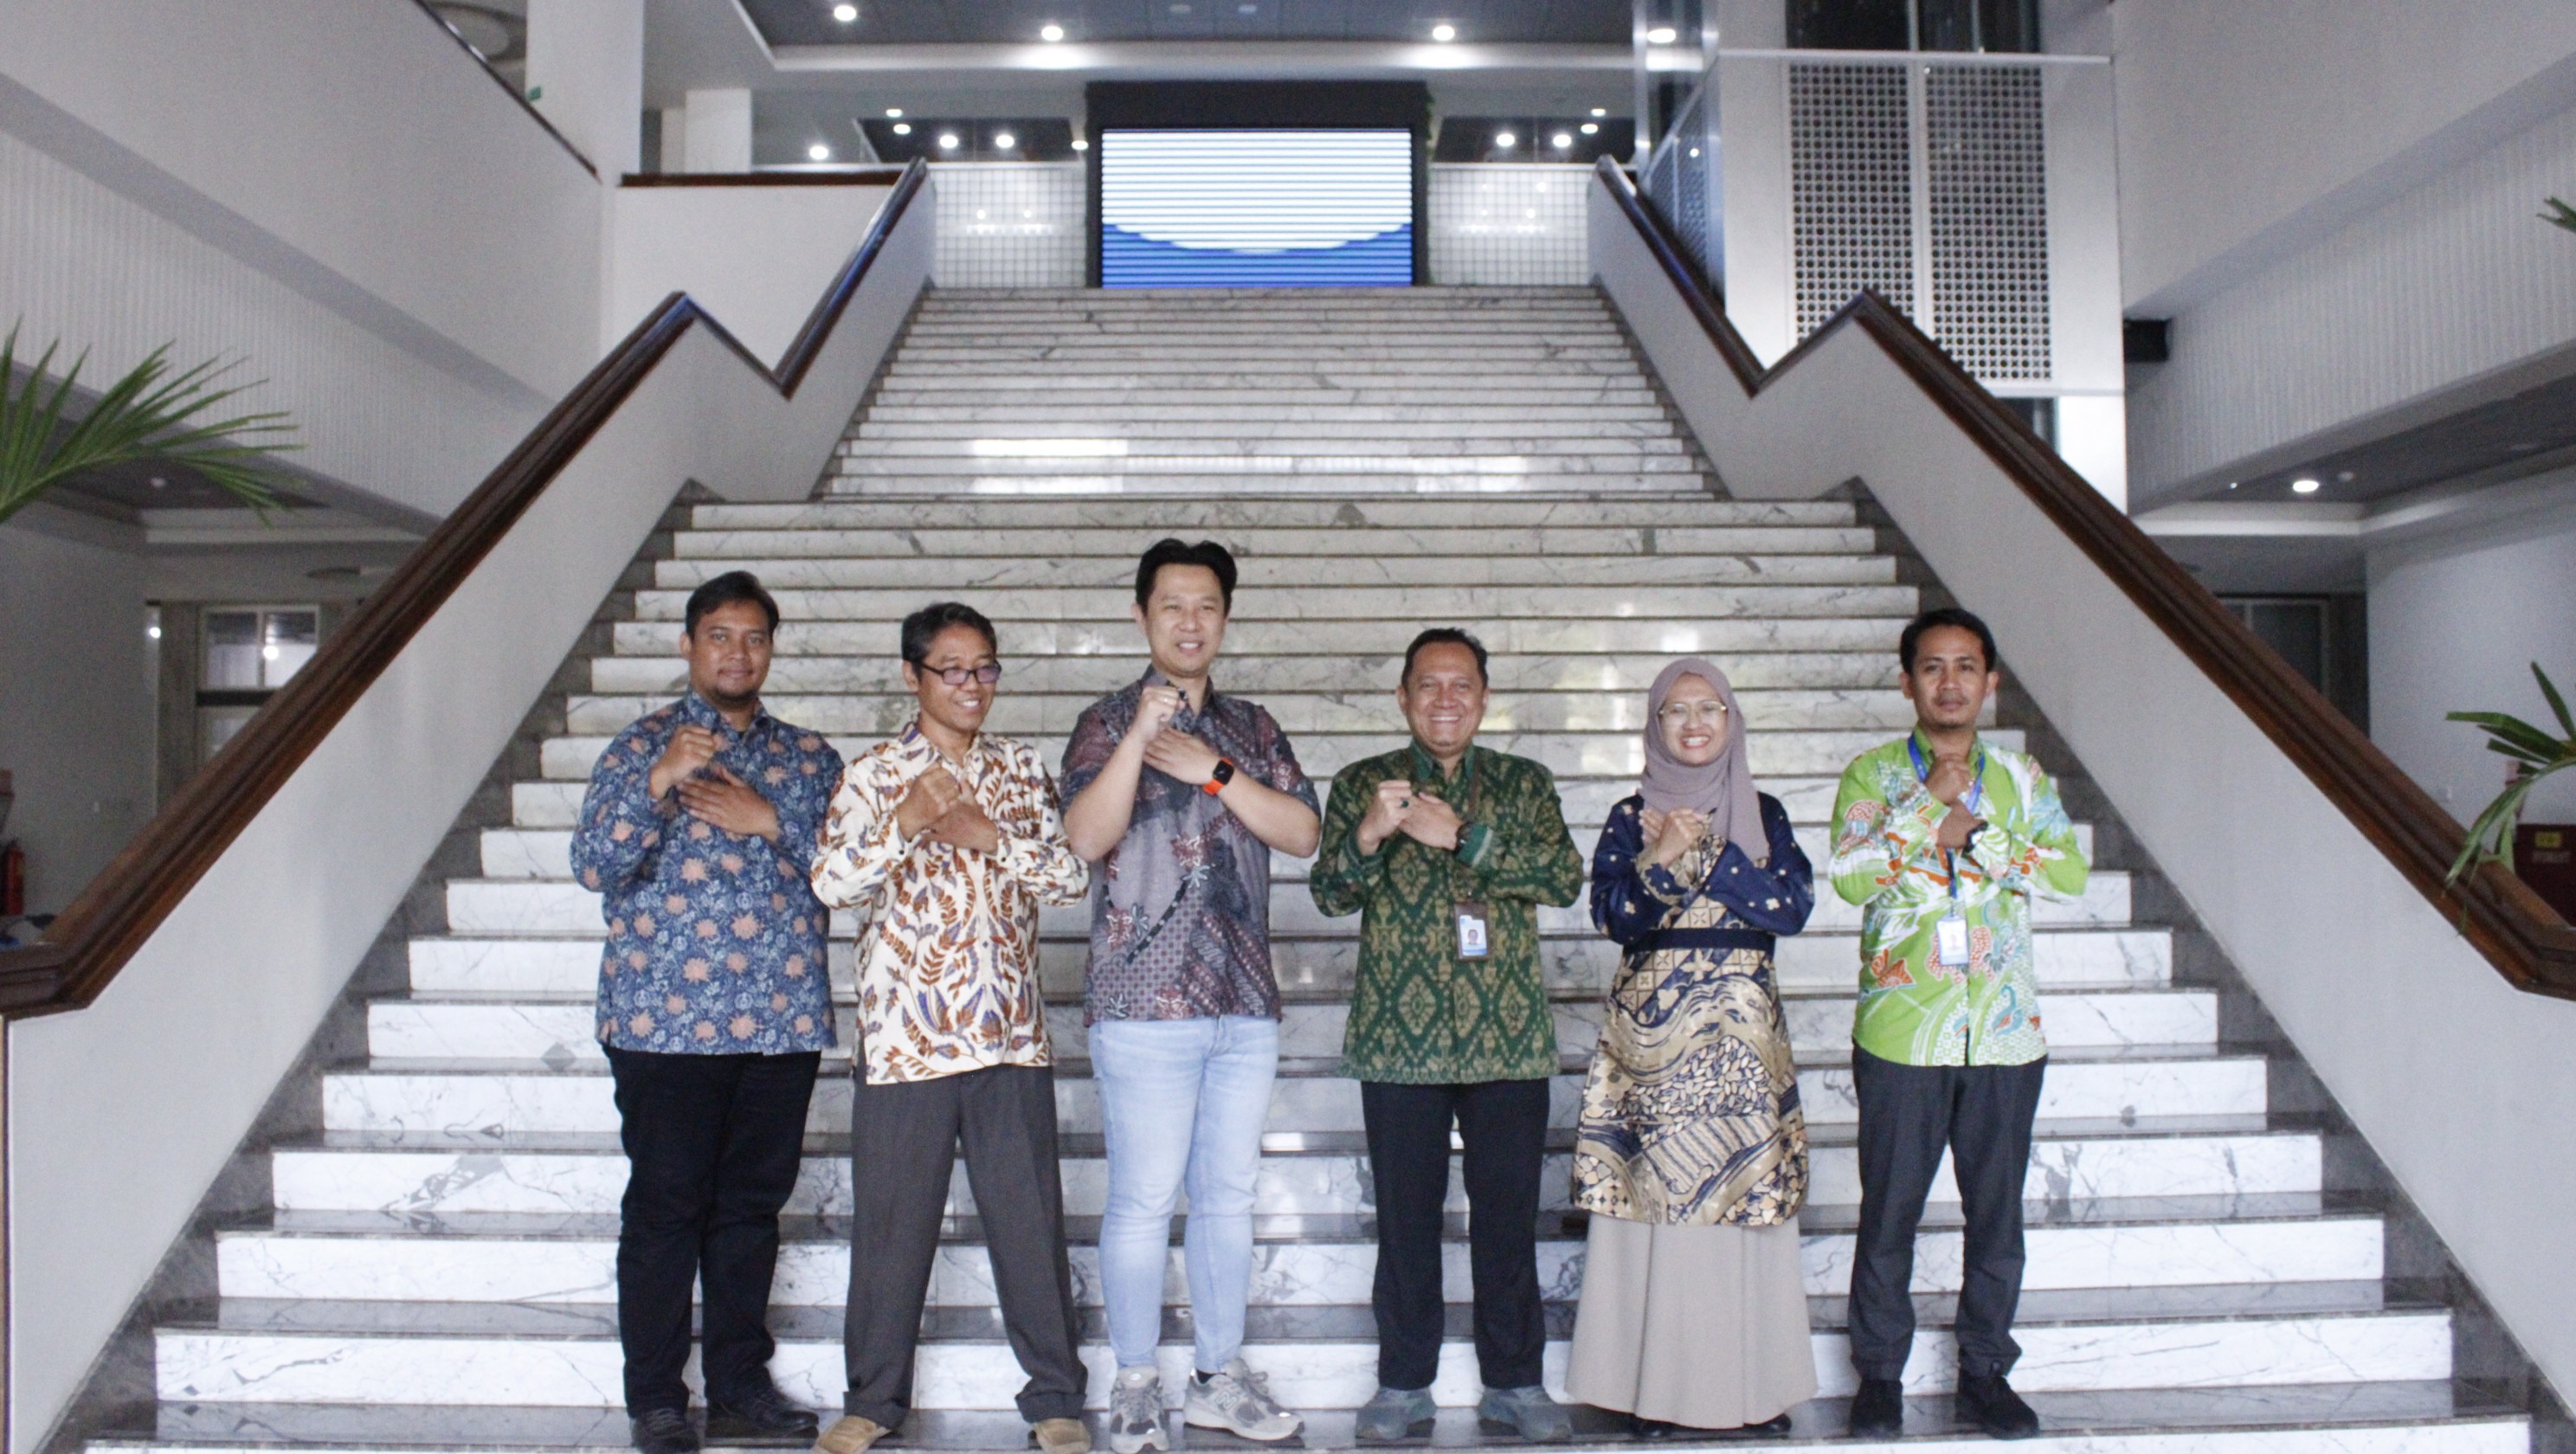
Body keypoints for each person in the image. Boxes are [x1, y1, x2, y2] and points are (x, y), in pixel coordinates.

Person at [807, 602, 1094, 1454]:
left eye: (985, 669)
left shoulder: (1021, 768)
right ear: (913, 676)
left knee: (1029, 1224)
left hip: (1009, 1036)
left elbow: (1070, 879)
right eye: (953, 670)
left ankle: (1055, 1399)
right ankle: (872, 1401)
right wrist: (904, 824)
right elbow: (830, 883)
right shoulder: (874, 773)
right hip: (906, 1044)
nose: (972, 687)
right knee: (891, 1232)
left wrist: (990, 837)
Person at [569, 570, 843, 1454]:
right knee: (665, 1208)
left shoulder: (809, 758)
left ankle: (736, 1385)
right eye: (720, 635)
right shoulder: (639, 746)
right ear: (689, 646)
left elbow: (852, 871)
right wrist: (661, 779)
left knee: (750, 1211)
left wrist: (771, 820)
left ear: (772, 648)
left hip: (778, 1023)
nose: (738, 652)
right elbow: (592, 865)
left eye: (754, 636)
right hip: (664, 1026)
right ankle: (655, 1395)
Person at [1061, 539, 1323, 1454]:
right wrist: (1140, 738)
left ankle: (1219, 1375)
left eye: (1207, 605)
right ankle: (1134, 1380)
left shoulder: (1252, 727)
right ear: (1141, 615)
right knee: (1142, 1197)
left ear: (1224, 617)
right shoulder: (1101, 722)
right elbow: (1085, 840)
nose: (1190, 621)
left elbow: (1301, 832)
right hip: (1142, 1003)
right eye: (1172, 604)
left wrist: (1212, 770)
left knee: (1227, 1196)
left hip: (1243, 998)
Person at [1308, 628, 1587, 1444]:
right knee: (1404, 1222)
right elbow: (1329, 893)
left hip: (1506, 1036)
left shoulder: (1522, 782)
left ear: (1483, 698)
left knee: (1507, 1218)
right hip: (1400, 1040)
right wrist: (1367, 837)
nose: (1445, 701)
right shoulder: (1364, 782)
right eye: (1428, 686)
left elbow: (1563, 877)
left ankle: (1515, 1381)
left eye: (1461, 686)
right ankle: (1402, 1384)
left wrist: (1462, 837)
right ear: (1403, 697)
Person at [1827, 608, 2088, 1442]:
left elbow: (2070, 874)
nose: (1949, 682)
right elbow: (1851, 878)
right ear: (1906, 682)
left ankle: (1985, 1372)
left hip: (2007, 1035)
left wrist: (1973, 834)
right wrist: (1920, 810)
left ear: (1990, 681)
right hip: (1903, 1036)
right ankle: (1878, 1377)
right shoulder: (1871, 776)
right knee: (1890, 1210)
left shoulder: (2023, 780)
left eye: (1966, 667)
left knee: (1997, 1213)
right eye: (1932, 667)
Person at [1565, 658, 1818, 1436]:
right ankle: (1653, 1393)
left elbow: (1790, 907)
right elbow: (1614, 916)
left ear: (1732, 721)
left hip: (1741, 1053)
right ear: (1655, 726)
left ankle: (1755, 1391)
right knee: (1657, 1212)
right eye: (1676, 711)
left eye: (1710, 708)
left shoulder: (1764, 812)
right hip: (1654, 1054)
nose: (1695, 722)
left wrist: (1703, 850)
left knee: (1747, 1214)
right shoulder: (1628, 813)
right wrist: (1658, 860)